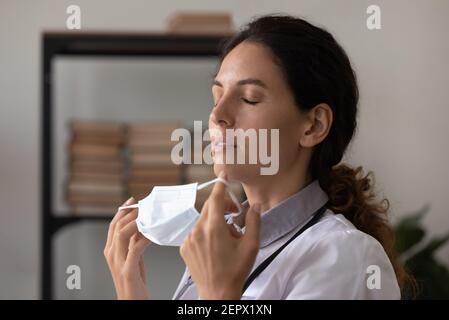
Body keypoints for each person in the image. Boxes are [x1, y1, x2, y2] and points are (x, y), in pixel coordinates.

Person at [104, 14, 407, 300]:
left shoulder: (344, 256)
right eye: (216, 96)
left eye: (249, 98)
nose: (217, 115)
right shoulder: (225, 241)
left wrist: (219, 293)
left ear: (313, 125)